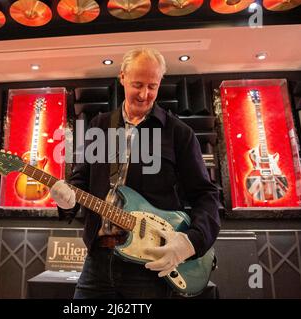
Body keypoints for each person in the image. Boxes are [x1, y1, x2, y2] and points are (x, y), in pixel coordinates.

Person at [50, 48, 220, 299]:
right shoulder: (99, 126)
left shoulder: (179, 133)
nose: (144, 94)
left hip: (148, 267)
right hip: (97, 260)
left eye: (152, 86)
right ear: (122, 77)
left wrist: (191, 242)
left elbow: (205, 195)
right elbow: (80, 182)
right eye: (137, 84)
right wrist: (66, 200)